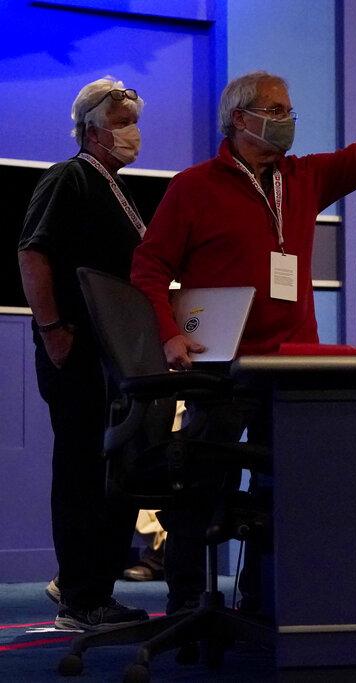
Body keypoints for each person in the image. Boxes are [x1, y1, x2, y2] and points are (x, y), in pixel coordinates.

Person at [131, 66, 356, 614]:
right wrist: (170, 334)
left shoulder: (303, 178)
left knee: (283, 492)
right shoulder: (194, 187)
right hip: (220, 368)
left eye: (288, 110)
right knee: (206, 488)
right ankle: (186, 605)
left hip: (293, 365)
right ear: (239, 119)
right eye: (275, 111)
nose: (287, 120)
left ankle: (260, 604)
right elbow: (149, 269)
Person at [18, 76, 149, 630]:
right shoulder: (68, 178)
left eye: (133, 120)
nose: (132, 133)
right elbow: (34, 253)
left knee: (111, 469)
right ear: (91, 130)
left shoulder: (115, 187)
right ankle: (81, 598)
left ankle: (90, 584)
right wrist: (52, 327)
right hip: (76, 347)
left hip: (115, 352)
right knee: (81, 467)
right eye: (121, 123)